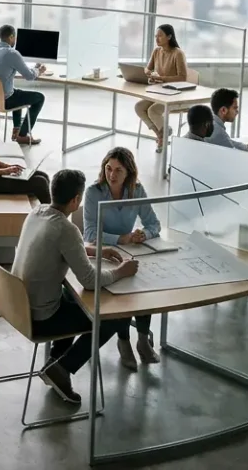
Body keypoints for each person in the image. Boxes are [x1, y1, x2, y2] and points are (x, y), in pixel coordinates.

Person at [12, 169, 138, 404]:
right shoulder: (66, 229)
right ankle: (62, 369)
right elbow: (89, 281)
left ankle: (55, 361)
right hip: (41, 318)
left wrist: (96, 250)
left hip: (18, 307)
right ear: (76, 200)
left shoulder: (37, 212)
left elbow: (59, 245)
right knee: (117, 316)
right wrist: (123, 271)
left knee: (71, 298)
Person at [81, 147, 161, 371]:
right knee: (124, 289)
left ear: (129, 173)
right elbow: (89, 234)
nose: (112, 175)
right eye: (108, 168)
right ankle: (123, 341)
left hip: (129, 250)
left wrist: (144, 234)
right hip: (102, 254)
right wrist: (121, 239)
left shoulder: (137, 190)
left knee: (144, 285)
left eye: (118, 170)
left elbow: (154, 224)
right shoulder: (93, 192)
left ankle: (143, 340)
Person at [0, 24, 46, 145]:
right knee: (39, 98)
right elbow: (29, 76)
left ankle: (16, 131)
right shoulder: (12, 53)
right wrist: (39, 70)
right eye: (15, 37)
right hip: (4, 100)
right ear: (11, 37)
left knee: (16, 93)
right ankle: (22, 135)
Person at [134, 24, 188, 152]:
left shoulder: (178, 53)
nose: (157, 39)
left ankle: (162, 137)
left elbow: (182, 77)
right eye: (156, 36)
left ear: (169, 37)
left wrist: (161, 78)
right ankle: (160, 134)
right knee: (139, 107)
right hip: (159, 91)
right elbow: (147, 68)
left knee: (153, 110)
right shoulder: (157, 51)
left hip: (175, 94)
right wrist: (150, 73)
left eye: (160, 36)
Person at [207, 88, 248, 155]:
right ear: (223, 110)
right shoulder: (218, 133)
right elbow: (236, 157)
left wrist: (247, 147)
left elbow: (228, 142)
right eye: (235, 108)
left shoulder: (211, 123)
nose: (237, 112)